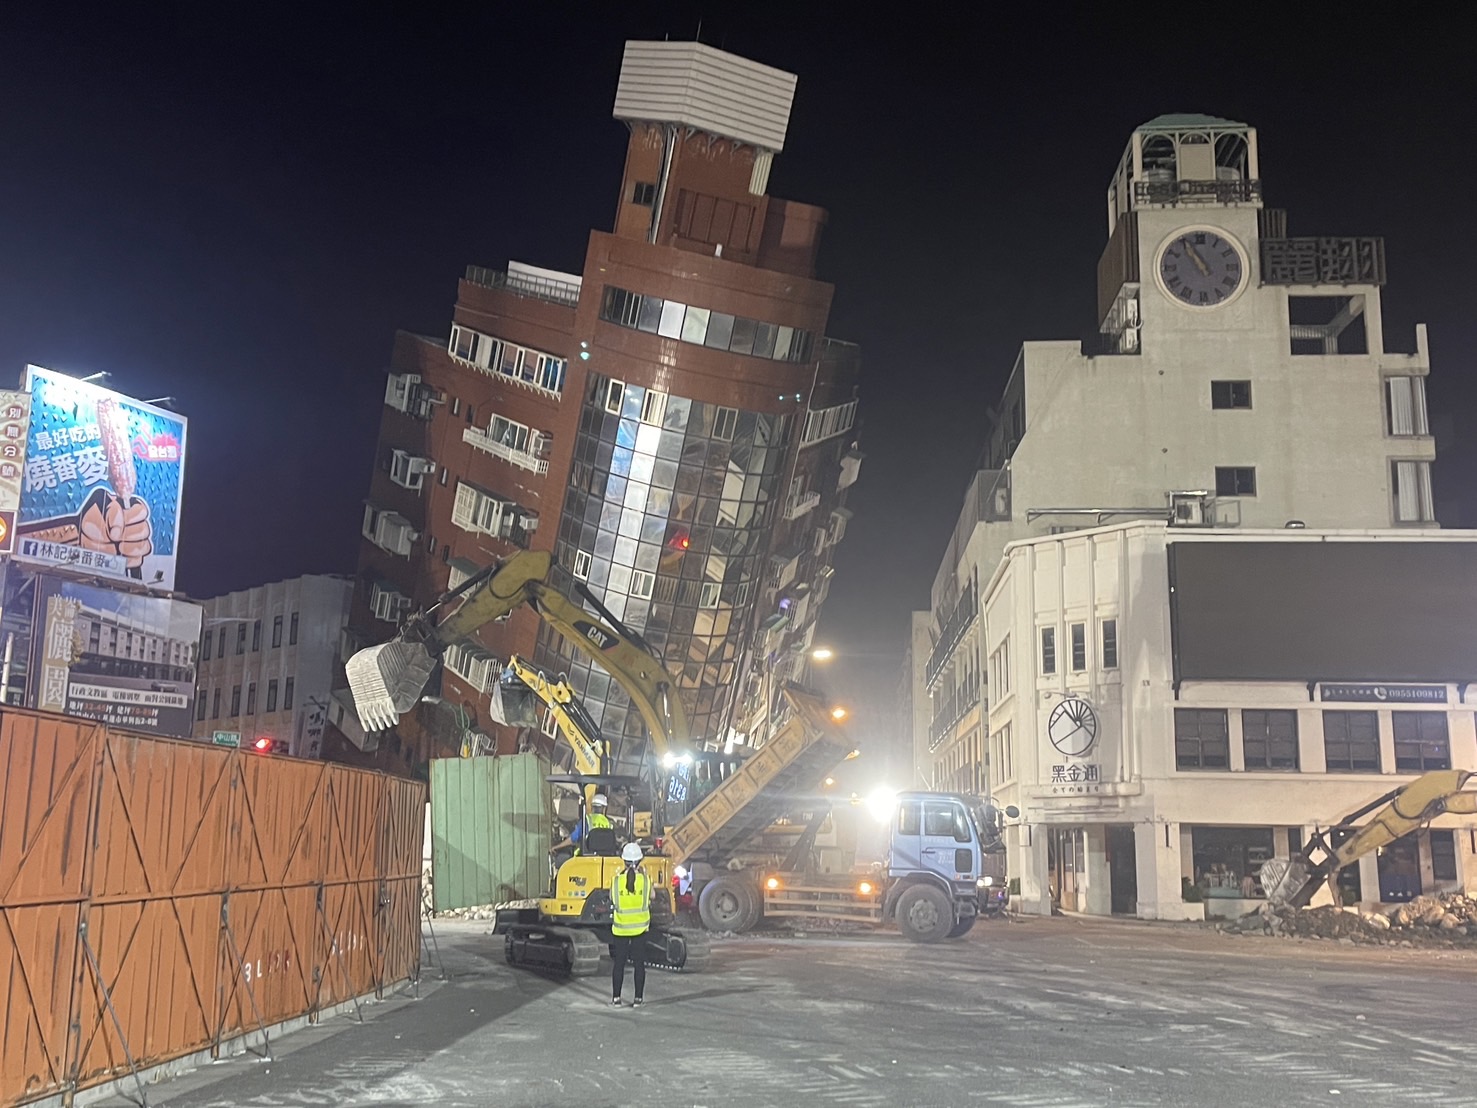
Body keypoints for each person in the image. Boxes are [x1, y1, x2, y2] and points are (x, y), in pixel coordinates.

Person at [610, 842, 651, 1007]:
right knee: (639, 964)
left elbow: (612, 898)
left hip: (620, 929)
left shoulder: (616, 881)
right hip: (640, 929)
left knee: (619, 964)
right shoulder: (646, 881)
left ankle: (616, 999)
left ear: (624, 861)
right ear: (640, 860)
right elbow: (652, 896)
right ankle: (638, 999)